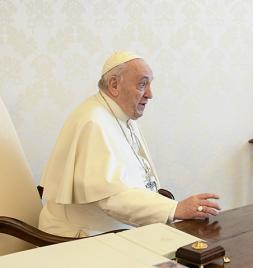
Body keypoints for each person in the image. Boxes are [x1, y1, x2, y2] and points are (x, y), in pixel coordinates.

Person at [39, 52, 220, 237]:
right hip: (81, 237)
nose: (150, 94)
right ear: (114, 84)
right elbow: (111, 197)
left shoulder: (122, 117)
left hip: (118, 231)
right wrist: (175, 209)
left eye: (150, 84)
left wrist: (169, 208)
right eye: (142, 84)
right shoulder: (93, 121)